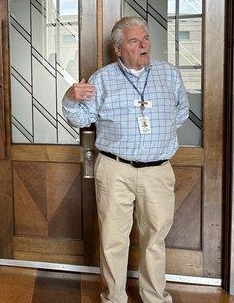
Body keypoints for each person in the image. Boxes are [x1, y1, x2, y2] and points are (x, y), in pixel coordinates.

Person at [62, 16, 189, 303]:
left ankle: (154, 297)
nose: (143, 45)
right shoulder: (103, 78)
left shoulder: (169, 74)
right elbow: (81, 118)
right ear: (118, 49)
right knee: (113, 240)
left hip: (157, 170)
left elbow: (181, 112)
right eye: (134, 41)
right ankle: (114, 298)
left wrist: (155, 137)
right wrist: (71, 97)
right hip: (115, 169)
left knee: (155, 239)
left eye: (145, 38)